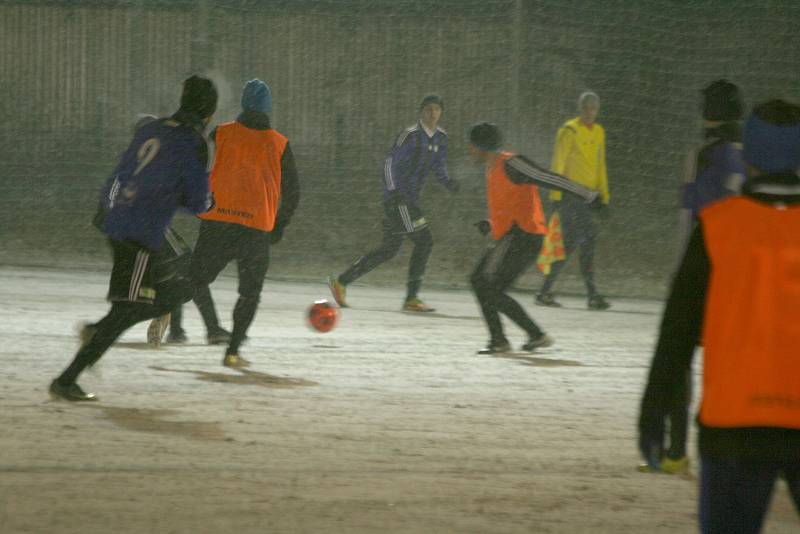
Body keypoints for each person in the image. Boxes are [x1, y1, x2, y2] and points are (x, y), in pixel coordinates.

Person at [638, 100, 800, 533]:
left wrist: (653, 410)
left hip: (734, 424)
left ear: (749, 156)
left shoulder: (715, 226)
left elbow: (676, 334)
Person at [50, 75, 218, 401]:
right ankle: (67, 379)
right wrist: (206, 202)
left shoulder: (151, 129)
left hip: (120, 220)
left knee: (166, 296)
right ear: (209, 111)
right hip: (140, 232)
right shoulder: (196, 141)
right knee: (134, 307)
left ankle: (97, 333)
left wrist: (110, 208)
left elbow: (122, 174)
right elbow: (198, 203)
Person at [645, 80, 746, 476]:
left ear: (706, 113)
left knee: (678, 361)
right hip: (745, 275)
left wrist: (680, 277)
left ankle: (676, 452)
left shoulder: (701, 156)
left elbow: (689, 221)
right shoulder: (761, 156)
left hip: (704, 271)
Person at [190, 79, 299, 369]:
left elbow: (198, 167)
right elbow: (293, 193)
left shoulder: (222, 133)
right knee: (249, 293)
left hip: (218, 223)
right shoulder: (279, 144)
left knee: (195, 279)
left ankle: (194, 320)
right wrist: (279, 225)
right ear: (267, 107)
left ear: (243, 104)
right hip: (256, 228)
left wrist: (199, 202)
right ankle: (233, 351)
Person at [466, 122, 598, 354]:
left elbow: (548, 178)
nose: (470, 150)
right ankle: (513, 339)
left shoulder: (511, 163)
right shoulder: (492, 169)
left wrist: (588, 195)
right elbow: (510, 207)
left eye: (472, 145)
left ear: (482, 146)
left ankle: (517, 338)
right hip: (513, 236)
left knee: (486, 286)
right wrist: (491, 223)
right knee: (484, 285)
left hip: (523, 236)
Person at [328, 95, 459, 312]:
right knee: (424, 241)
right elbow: (389, 162)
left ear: (441, 112)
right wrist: (393, 191)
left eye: (436, 109)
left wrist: (448, 182)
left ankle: (341, 281)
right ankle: (412, 298)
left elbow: (438, 166)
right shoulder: (410, 136)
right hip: (400, 199)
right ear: (421, 112)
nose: (432, 113)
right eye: (428, 109)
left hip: (410, 199)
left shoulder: (441, 138)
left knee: (389, 249)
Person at [536, 91, 611, 310]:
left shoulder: (599, 132)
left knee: (568, 244)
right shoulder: (569, 130)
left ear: (597, 111)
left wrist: (603, 197)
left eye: (593, 109)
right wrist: (556, 195)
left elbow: (600, 165)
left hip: (588, 196)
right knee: (587, 239)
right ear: (580, 109)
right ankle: (592, 294)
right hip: (570, 194)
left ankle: (545, 291)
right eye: (586, 108)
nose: (589, 112)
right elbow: (558, 163)